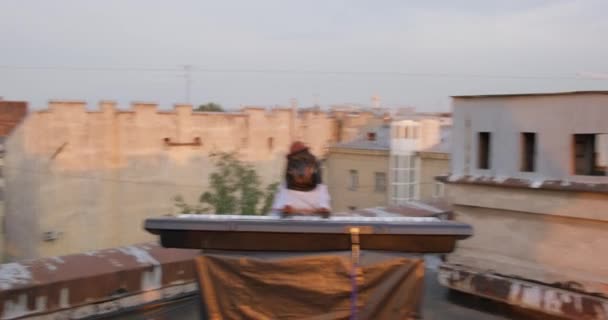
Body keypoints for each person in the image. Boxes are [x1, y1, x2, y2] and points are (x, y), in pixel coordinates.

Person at [271, 141, 331, 217]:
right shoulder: (285, 188)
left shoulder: (320, 188)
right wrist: (285, 211)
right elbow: (276, 213)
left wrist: (322, 211)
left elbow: (325, 212)